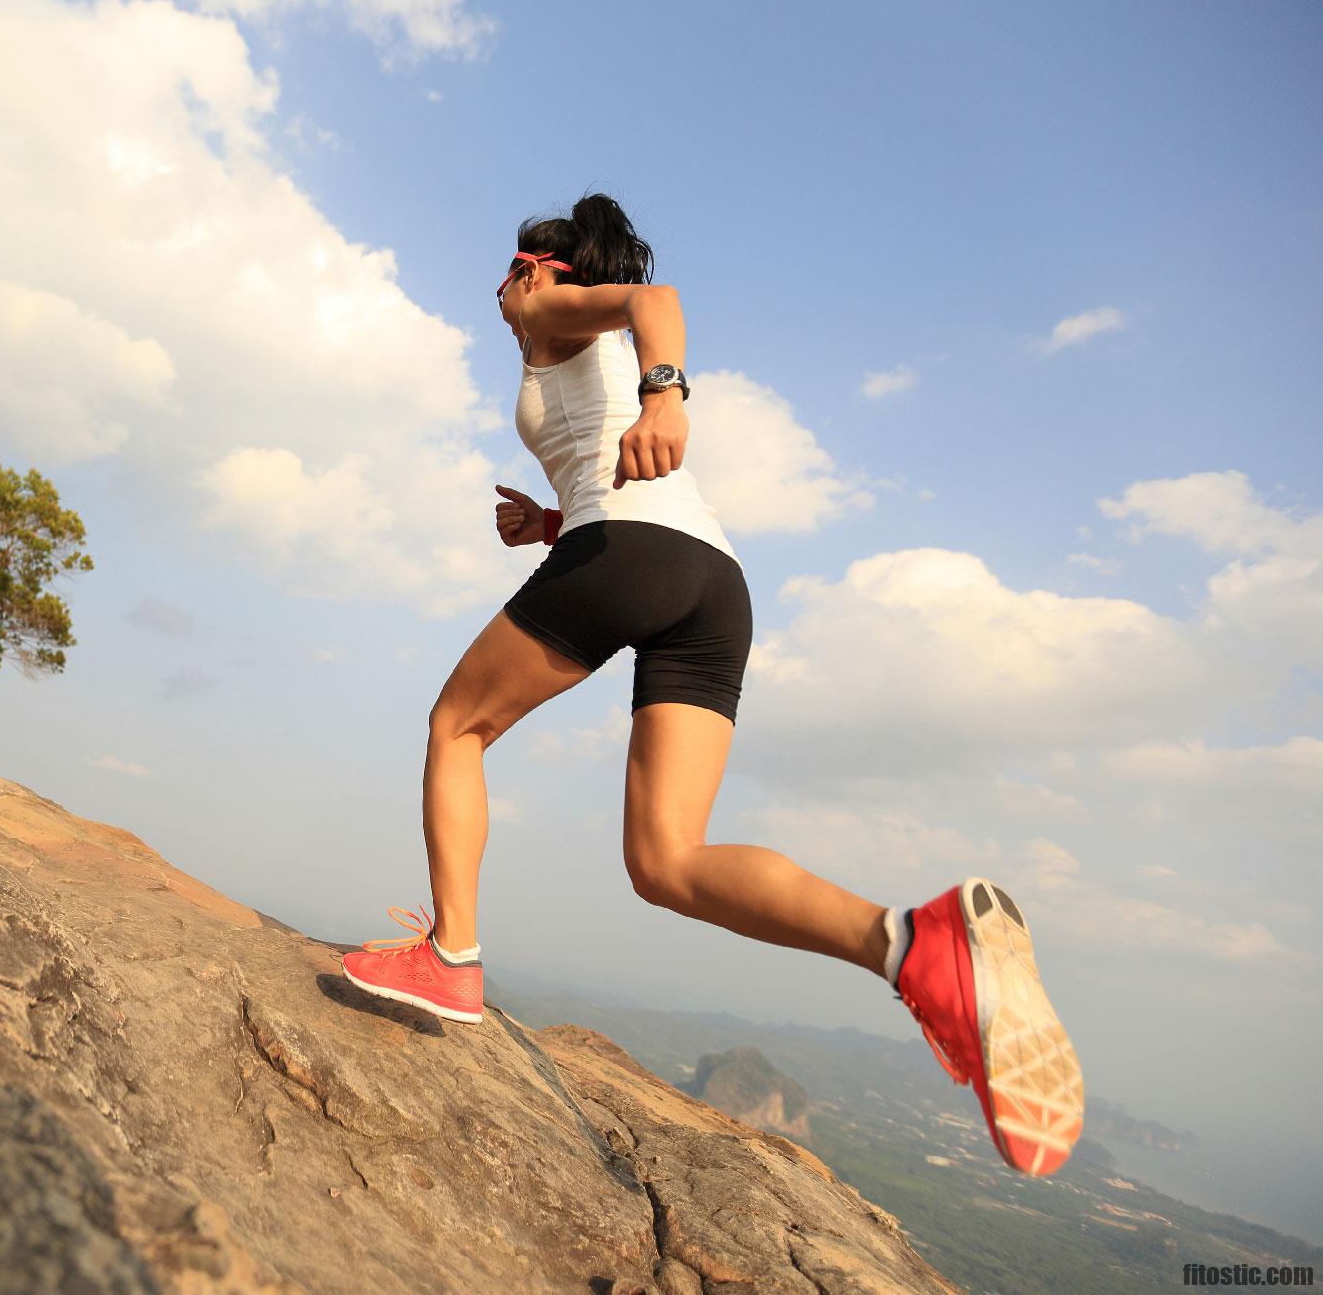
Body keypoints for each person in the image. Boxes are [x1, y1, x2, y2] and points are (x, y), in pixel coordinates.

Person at [340, 193, 1085, 1178]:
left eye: (503, 278)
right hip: (709, 581)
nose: (498, 298)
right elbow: (617, 474)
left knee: (454, 726)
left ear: (533, 272)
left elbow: (658, 299)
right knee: (665, 860)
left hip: (634, 550)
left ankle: (452, 955)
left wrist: (664, 393)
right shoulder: (567, 336)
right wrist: (550, 527)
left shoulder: (546, 312)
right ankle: (910, 942)